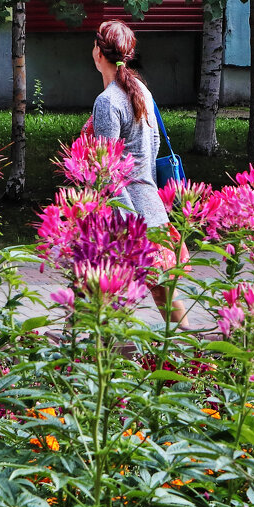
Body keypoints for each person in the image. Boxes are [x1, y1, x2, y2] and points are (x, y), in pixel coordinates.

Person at [88, 19, 190, 329]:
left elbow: (108, 171)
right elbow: (154, 145)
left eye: (94, 44)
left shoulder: (107, 102)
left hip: (125, 217)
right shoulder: (140, 91)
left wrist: (126, 227)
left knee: (98, 293)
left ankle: (83, 363)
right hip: (151, 208)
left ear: (98, 53)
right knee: (163, 295)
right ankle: (194, 357)